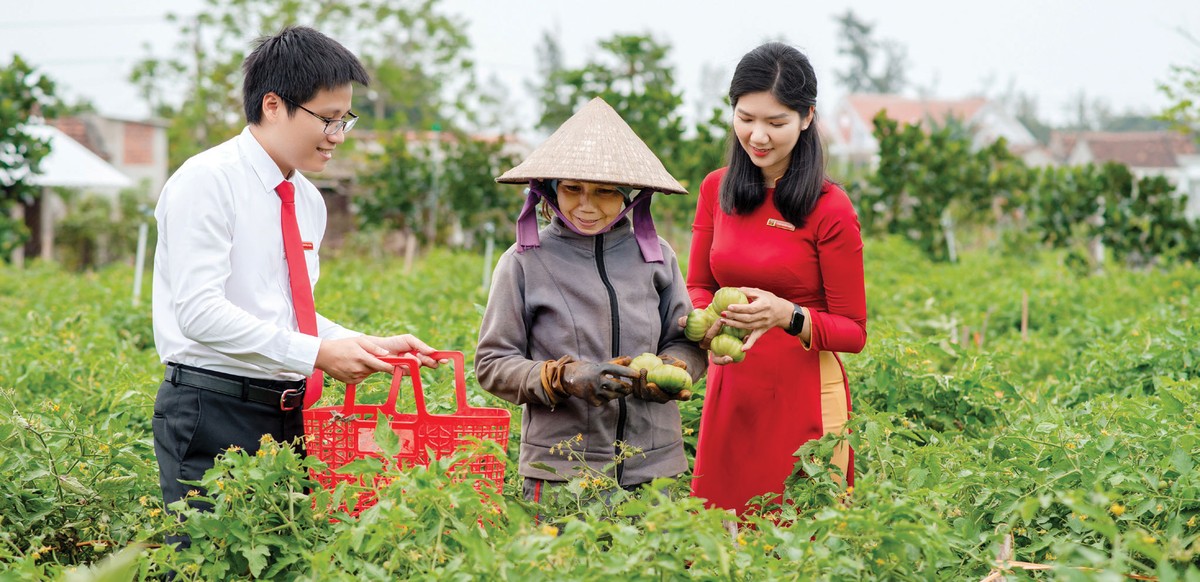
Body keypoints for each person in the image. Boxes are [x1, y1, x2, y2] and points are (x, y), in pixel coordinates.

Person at [150, 26, 441, 535]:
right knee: (207, 563)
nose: (338, 136)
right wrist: (316, 356)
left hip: (289, 415)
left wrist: (358, 344)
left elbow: (285, 314)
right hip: (211, 408)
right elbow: (197, 313)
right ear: (273, 105)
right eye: (327, 119)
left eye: (344, 119)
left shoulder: (306, 199)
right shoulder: (208, 181)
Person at [475, 97, 707, 502]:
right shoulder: (524, 262)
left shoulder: (656, 257)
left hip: (655, 470)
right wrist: (565, 378)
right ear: (549, 189)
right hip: (562, 473)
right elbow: (493, 363)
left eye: (604, 192)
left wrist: (672, 372)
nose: (586, 205)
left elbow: (686, 340)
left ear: (629, 197)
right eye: (571, 189)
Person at [686, 42, 867, 516]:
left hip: (804, 395)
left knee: (802, 537)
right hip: (731, 389)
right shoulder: (715, 189)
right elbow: (698, 286)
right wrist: (708, 323)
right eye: (746, 118)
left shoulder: (830, 207)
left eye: (776, 122)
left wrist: (790, 315)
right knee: (717, 537)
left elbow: (853, 331)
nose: (758, 135)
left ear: (807, 118)